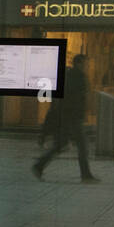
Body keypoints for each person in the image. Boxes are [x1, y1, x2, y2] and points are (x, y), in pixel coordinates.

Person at [33, 54, 98, 182]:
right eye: (86, 64)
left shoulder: (68, 76)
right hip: (73, 117)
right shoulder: (78, 77)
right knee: (83, 145)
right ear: (79, 63)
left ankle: (38, 166)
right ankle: (86, 175)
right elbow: (77, 99)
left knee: (61, 144)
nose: (87, 66)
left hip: (67, 116)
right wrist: (81, 113)